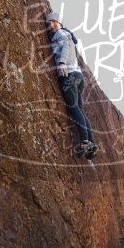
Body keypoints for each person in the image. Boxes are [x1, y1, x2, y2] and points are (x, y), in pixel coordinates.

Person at [45, 12, 98, 159]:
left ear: (59, 22)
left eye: (53, 22)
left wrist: (62, 63)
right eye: (48, 24)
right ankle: (92, 145)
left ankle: (86, 141)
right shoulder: (67, 33)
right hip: (78, 76)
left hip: (69, 75)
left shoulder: (60, 34)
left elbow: (66, 48)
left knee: (74, 108)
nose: (51, 25)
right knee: (79, 110)